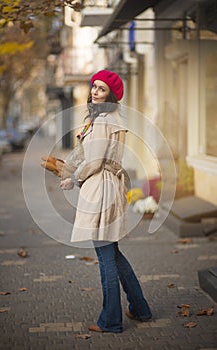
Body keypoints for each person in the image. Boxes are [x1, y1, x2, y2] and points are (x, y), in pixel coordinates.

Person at [42, 70, 152, 333]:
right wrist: (66, 167)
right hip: (109, 186)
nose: (94, 92)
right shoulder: (110, 118)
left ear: (111, 94)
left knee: (105, 258)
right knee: (112, 252)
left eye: (101, 89)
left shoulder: (104, 120)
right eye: (94, 87)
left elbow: (94, 161)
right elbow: (87, 154)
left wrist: (74, 180)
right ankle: (140, 309)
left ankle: (111, 321)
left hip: (100, 188)